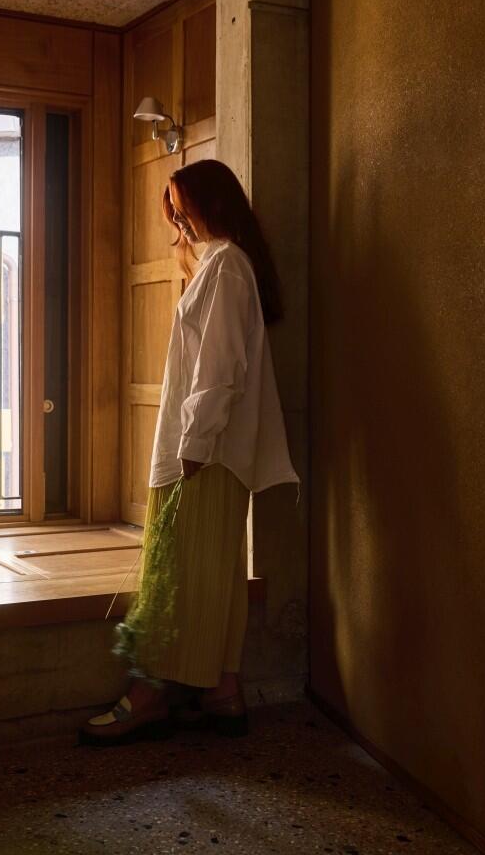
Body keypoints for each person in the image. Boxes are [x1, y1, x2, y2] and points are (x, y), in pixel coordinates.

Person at [79, 159, 299, 746]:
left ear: (212, 203)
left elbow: (219, 368)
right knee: (215, 573)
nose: (178, 220)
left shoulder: (225, 265)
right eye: (172, 212)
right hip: (217, 454)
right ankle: (224, 693)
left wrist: (194, 445)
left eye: (182, 207)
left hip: (203, 454)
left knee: (174, 572)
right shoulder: (228, 265)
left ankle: (148, 695)